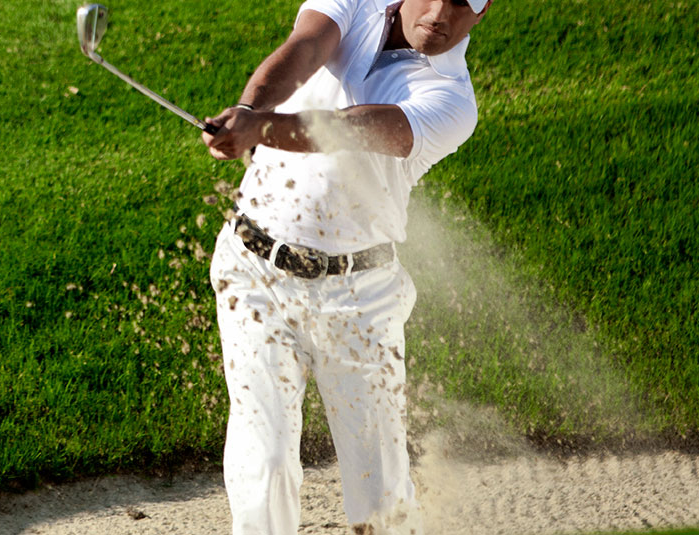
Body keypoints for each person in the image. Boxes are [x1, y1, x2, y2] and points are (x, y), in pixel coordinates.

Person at [199, 0, 489, 533]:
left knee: (379, 491)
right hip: (254, 273)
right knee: (263, 465)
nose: (442, 14)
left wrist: (260, 128)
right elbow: (306, 49)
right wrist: (249, 108)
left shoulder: (454, 101)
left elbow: (354, 128)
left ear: (486, 10)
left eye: (462, 4)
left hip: (361, 298)